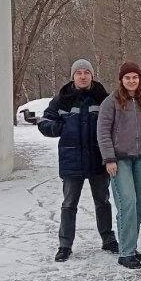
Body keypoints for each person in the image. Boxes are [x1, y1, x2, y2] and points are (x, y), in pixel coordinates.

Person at [38, 59, 118, 262]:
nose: (83, 76)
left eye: (86, 72)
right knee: (69, 204)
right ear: (73, 76)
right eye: (79, 73)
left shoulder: (102, 98)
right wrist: (59, 128)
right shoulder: (62, 99)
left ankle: (108, 239)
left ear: (92, 75)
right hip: (71, 161)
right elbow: (44, 121)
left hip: (97, 160)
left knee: (103, 201)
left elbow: (115, 124)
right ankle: (65, 245)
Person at [96, 62, 141, 270]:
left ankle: (131, 244)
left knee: (139, 208)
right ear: (121, 79)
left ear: (140, 80)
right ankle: (126, 252)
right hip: (119, 160)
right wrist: (109, 158)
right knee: (127, 204)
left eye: (135, 77)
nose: (132, 81)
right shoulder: (110, 102)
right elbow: (103, 132)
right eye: (127, 77)